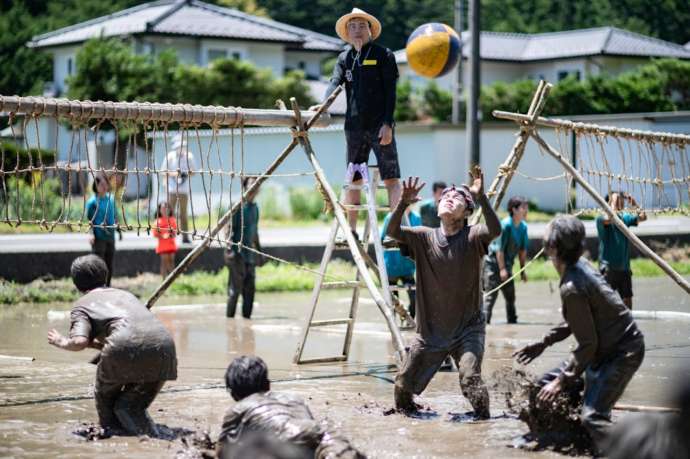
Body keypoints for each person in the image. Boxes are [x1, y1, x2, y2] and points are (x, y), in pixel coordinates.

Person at [514, 215, 645, 453]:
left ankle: (642, 448)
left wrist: (561, 381)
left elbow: (587, 345)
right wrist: (545, 342)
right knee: (540, 387)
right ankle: (562, 439)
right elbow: (580, 320)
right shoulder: (579, 266)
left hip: (622, 352)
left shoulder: (572, 286)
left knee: (593, 417)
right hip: (601, 346)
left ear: (552, 247)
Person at [387, 167, 501, 417]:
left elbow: (495, 230)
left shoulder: (473, 235)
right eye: (445, 196)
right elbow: (392, 232)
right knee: (402, 387)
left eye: (458, 197)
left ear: (467, 212)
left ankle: (483, 420)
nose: (449, 197)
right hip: (430, 333)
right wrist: (403, 204)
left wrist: (482, 198)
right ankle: (410, 413)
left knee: (470, 379)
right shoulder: (424, 238)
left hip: (467, 331)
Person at [47, 255, 177, 436]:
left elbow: (79, 342)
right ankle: (153, 438)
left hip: (123, 349)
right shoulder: (126, 295)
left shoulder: (82, 305)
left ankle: (114, 433)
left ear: (76, 284)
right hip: (165, 348)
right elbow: (133, 337)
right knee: (130, 406)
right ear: (106, 276)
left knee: (105, 398)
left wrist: (61, 341)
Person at [312, 8, 401, 239]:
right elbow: (334, 84)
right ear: (347, 32)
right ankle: (350, 230)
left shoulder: (384, 55)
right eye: (352, 26)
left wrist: (388, 124)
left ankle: (395, 231)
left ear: (370, 30)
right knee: (354, 177)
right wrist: (322, 106)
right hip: (354, 127)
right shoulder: (345, 58)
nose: (357, 30)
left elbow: (391, 93)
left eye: (362, 25)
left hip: (380, 126)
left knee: (391, 177)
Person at [217, 356, 365, 459]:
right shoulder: (293, 398)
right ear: (268, 384)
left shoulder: (238, 410)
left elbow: (222, 453)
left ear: (234, 393)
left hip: (289, 445)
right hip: (330, 438)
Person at [483, 196, 529, 324]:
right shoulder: (505, 225)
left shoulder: (523, 227)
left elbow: (522, 251)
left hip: (507, 265)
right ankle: (484, 325)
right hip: (493, 264)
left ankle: (512, 322)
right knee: (491, 296)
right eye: (523, 208)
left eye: (526, 207)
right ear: (514, 210)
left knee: (510, 296)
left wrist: (522, 271)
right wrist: (501, 269)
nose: (526, 210)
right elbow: (499, 249)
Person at [596, 191, 647, 309]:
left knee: (627, 300)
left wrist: (635, 205)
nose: (621, 202)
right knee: (605, 301)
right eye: (617, 200)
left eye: (621, 200)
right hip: (608, 269)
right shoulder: (601, 220)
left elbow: (643, 217)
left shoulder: (625, 218)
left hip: (624, 268)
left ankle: (628, 323)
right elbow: (610, 219)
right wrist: (612, 205)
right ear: (608, 203)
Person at [224, 177, 261, 319]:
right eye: (252, 184)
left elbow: (255, 232)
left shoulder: (255, 208)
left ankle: (247, 320)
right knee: (234, 290)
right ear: (245, 186)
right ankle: (230, 321)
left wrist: (260, 252)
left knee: (250, 290)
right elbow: (228, 229)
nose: (255, 187)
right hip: (236, 255)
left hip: (250, 255)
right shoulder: (237, 206)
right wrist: (229, 250)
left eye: (257, 184)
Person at [381, 208, 421, 318]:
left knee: (415, 299)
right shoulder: (390, 217)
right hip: (391, 266)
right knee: (391, 302)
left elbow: (420, 237)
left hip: (408, 267)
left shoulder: (416, 217)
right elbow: (382, 238)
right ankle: (393, 328)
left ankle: (410, 322)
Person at [160, 134, 196, 244]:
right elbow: (163, 171)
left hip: (184, 189)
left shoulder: (189, 156)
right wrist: (175, 174)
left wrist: (185, 174)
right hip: (172, 189)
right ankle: (169, 235)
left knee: (183, 214)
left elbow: (194, 171)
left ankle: (185, 236)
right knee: (170, 213)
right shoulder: (169, 156)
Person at [86, 174, 118, 286]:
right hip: (99, 237)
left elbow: (115, 214)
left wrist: (118, 227)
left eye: (106, 184)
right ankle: (97, 286)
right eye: (102, 185)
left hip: (110, 236)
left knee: (109, 263)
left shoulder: (111, 199)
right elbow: (89, 220)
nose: (105, 187)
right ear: (96, 186)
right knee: (99, 264)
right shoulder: (92, 202)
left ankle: (107, 285)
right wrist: (91, 234)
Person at [152, 201, 178, 278]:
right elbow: (155, 234)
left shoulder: (172, 220)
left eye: (166, 208)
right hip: (162, 246)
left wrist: (171, 233)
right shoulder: (157, 221)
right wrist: (163, 236)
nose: (164, 210)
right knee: (164, 262)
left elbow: (175, 232)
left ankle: (172, 278)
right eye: (162, 208)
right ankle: (164, 279)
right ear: (159, 210)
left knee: (171, 261)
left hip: (171, 244)